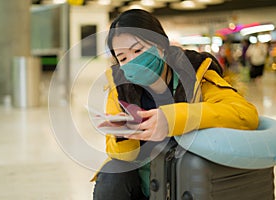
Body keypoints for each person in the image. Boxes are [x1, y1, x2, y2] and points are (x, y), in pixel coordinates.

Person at [92, 9, 259, 200]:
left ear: (161, 46)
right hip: (145, 185)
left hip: (189, 183)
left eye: (138, 50)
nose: (132, 61)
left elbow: (245, 114)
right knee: (112, 173)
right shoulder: (120, 89)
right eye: (123, 58)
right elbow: (121, 156)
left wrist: (172, 119)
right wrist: (124, 134)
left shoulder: (197, 74)